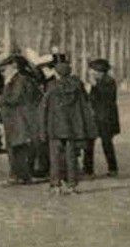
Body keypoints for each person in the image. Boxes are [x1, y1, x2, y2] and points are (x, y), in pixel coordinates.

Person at [39, 53, 96, 194]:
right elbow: (85, 107)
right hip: (72, 129)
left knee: (55, 158)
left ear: (57, 73)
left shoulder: (51, 88)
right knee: (71, 158)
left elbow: (43, 109)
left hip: (55, 128)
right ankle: (72, 185)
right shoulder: (77, 86)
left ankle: (56, 185)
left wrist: (42, 129)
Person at [0, 55, 38, 183]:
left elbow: (14, 98)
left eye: (4, 70)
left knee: (19, 147)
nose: (3, 73)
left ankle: (21, 176)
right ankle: (17, 175)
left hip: (19, 118)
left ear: (13, 67)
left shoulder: (19, 80)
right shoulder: (15, 80)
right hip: (13, 118)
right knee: (14, 146)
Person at [82, 58, 120, 177]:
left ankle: (111, 168)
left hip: (105, 119)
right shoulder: (102, 81)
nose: (91, 73)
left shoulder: (108, 82)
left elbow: (105, 98)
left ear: (99, 71)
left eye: (93, 70)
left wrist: (95, 86)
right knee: (91, 143)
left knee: (105, 143)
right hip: (98, 117)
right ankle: (89, 169)